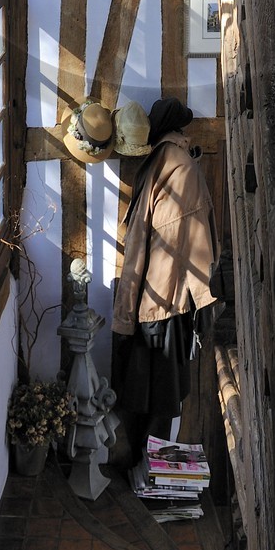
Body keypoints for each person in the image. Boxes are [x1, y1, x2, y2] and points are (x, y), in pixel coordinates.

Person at [111, 99, 219, 464]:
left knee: (148, 393)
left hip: (151, 300)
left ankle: (147, 470)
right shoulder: (182, 168)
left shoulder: (158, 164)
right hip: (169, 304)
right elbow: (197, 243)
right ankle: (154, 472)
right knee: (163, 397)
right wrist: (203, 299)